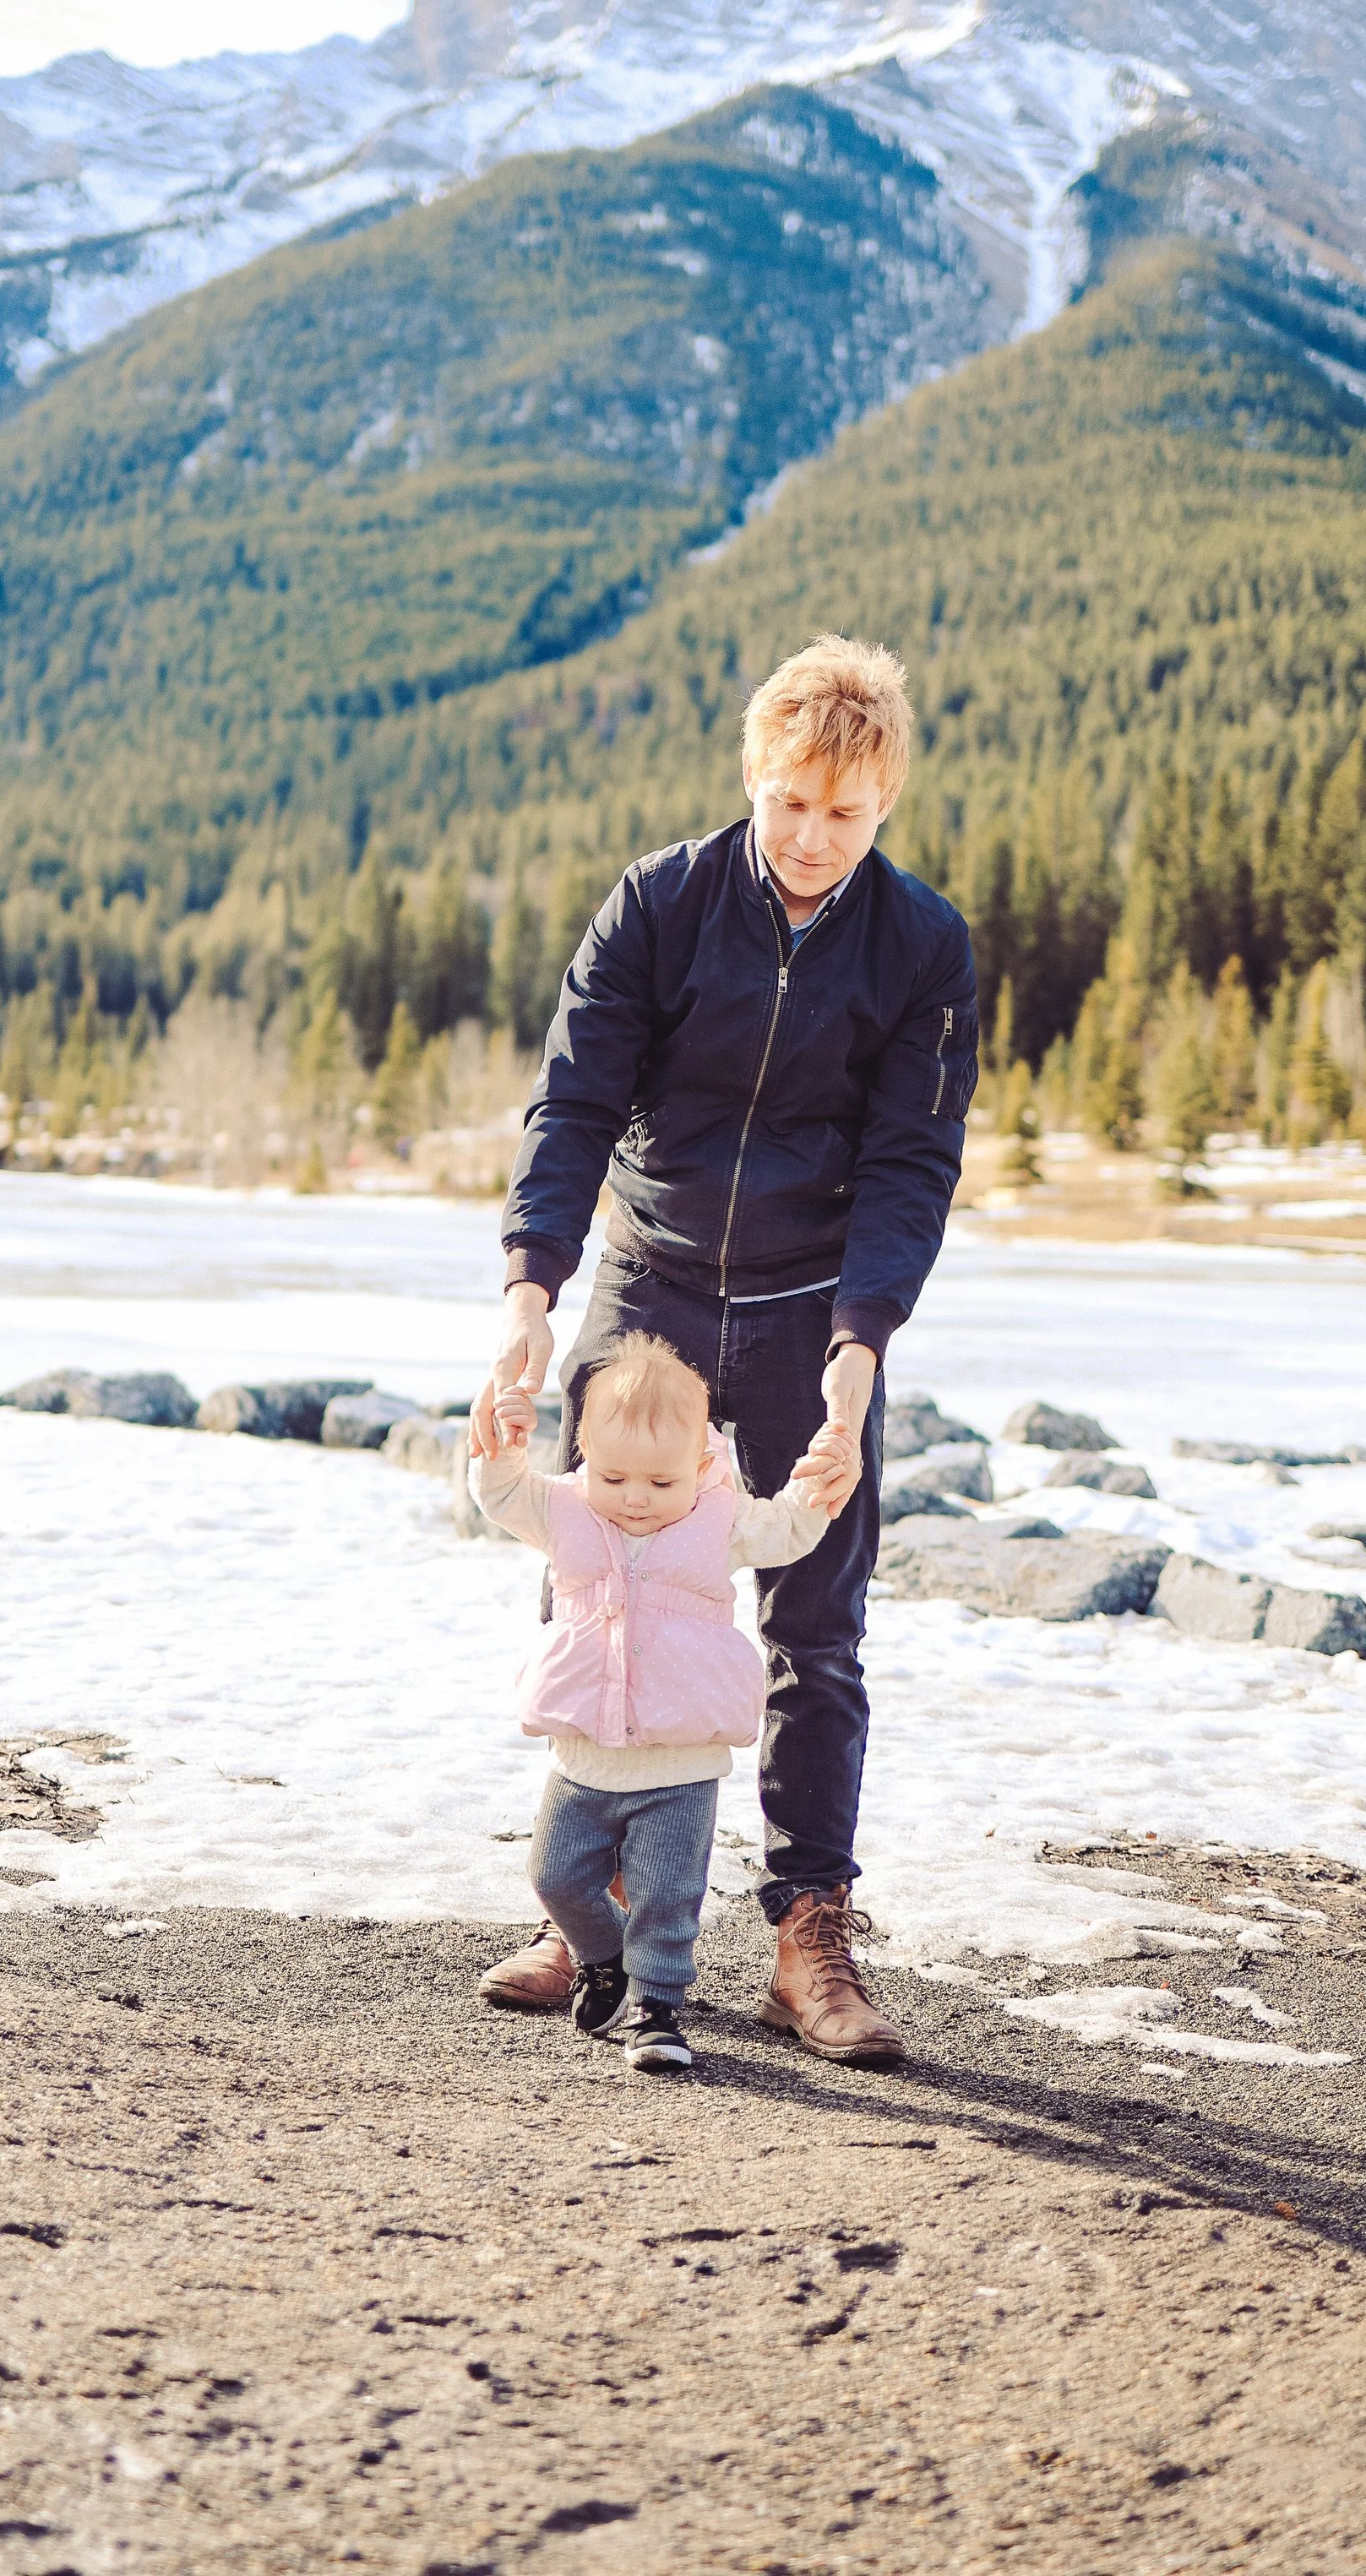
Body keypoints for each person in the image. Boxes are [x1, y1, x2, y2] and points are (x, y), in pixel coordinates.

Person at [476, 633, 978, 2063]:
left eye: (847, 813)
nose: (813, 838)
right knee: (603, 1577)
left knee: (814, 1629)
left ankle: (806, 1932)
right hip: (651, 1293)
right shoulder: (662, 903)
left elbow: (909, 1163)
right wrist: (532, 1291)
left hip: (815, 1306)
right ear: (753, 778)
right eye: (790, 803)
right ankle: (598, 1914)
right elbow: (572, 1104)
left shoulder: (923, 946)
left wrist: (860, 1344)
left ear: (883, 806)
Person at [468, 1331, 857, 2073]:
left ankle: (657, 2007)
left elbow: (789, 1528)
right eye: (614, 1479)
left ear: (702, 1466)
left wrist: (817, 1487)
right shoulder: (567, 1510)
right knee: (554, 1877)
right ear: (583, 1455)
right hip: (583, 1757)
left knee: (665, 1895)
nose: (635, 1500)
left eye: (660, 1482)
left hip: (680, 1763)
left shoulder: (722, 1521)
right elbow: (503, 1494)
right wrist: (503, 1442)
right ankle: (603, 1958)